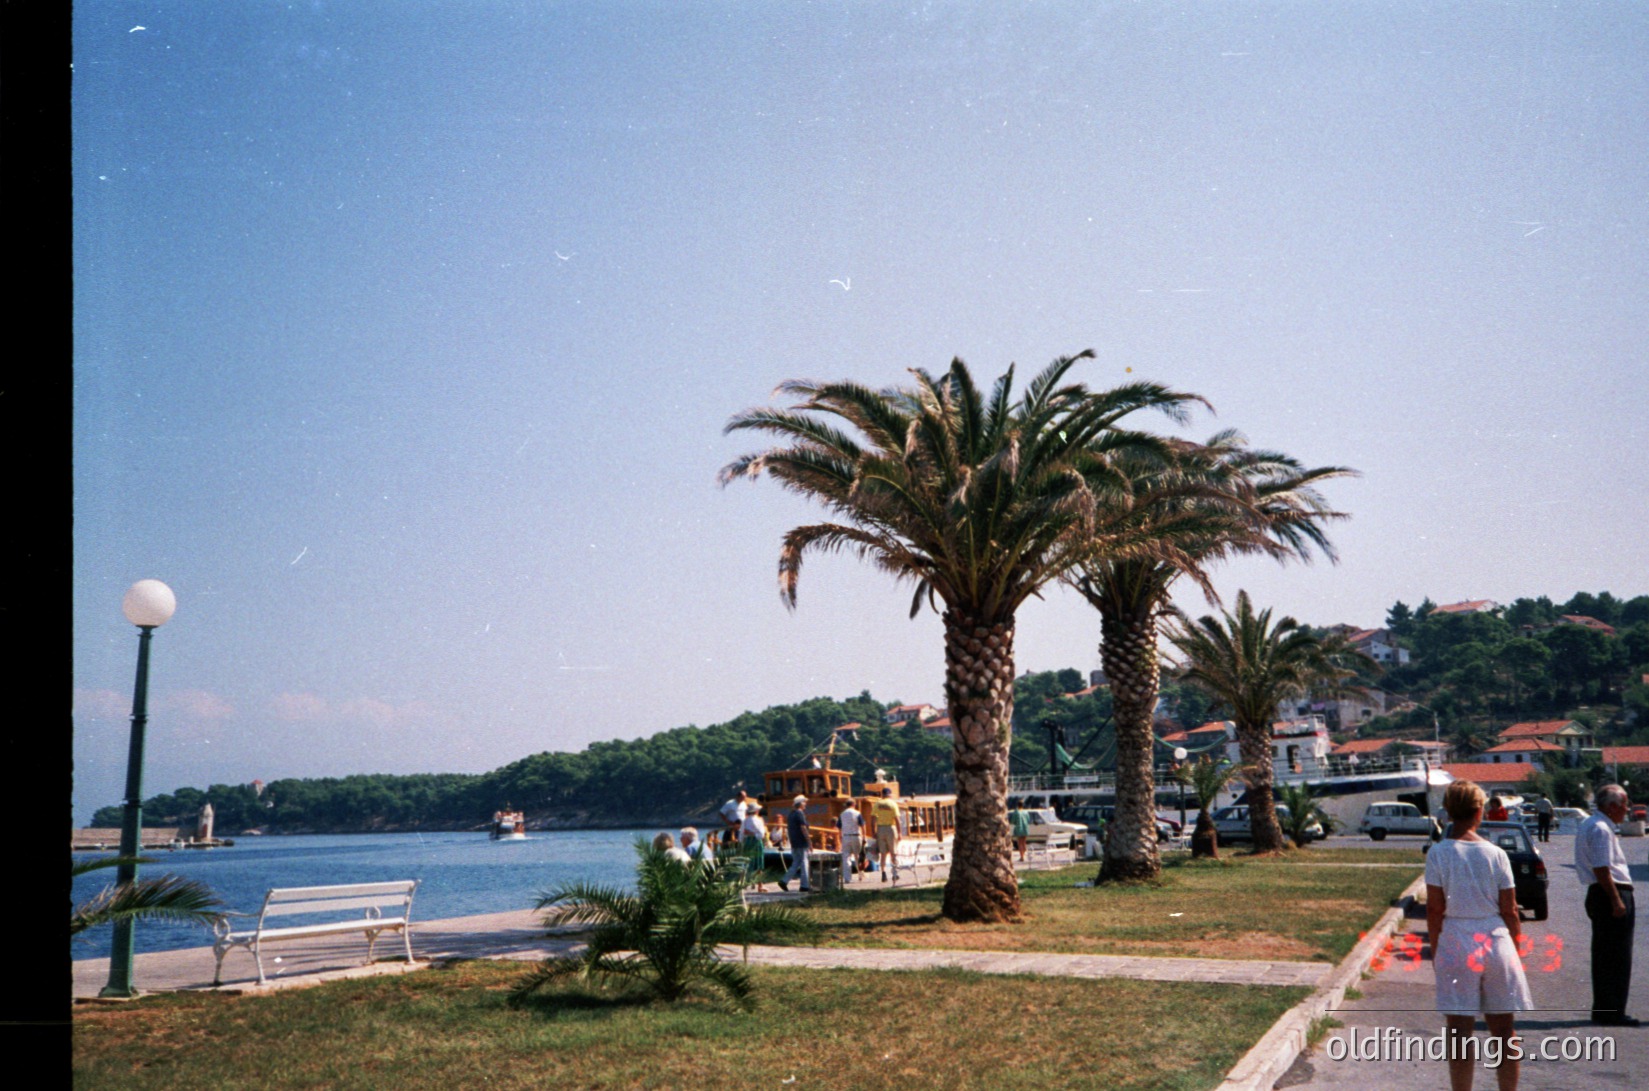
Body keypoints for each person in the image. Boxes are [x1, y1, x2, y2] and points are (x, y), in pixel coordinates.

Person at [1425, 779, 1532, 1091]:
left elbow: (1434, 910)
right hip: (1496, 938)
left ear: (1449, 811)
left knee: (1459, 1031)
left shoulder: (1438, 854)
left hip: (1456, 939)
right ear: (1478, 811)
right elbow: (1510, 909)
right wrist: (1515, 948)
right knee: (1503, 1030)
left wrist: (1436, 950)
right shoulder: (1496, 854)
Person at [1576, 784, 1638, 1026]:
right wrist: (1616, 899)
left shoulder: (1591, 824)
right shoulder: (1601, 829)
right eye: (1624, 804)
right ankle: (1612, 1011)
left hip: (1598, 893)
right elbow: (1602, 868)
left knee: (1604, 955)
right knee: (1617, 956)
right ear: (1611, 806)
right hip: (1610, 892)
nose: (1627, 809)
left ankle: (1604, 1008)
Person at [780, 795, 812, 892]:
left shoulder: (791, 814)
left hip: (794, 842)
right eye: (804, 802)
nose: (805, 804)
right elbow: (803, 828)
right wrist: (809, 841)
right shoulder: (799, 813)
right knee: (804, 863)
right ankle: (804, 885)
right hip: (802, 842)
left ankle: (784, 880)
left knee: (796, 862)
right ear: (800, 803)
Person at [871, 787, 902, 883]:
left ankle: (883, 873)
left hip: (880, 828)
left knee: (883, 853)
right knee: (893, 852)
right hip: (890, 828)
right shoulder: (893, 804)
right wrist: (899, 832)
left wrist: (873, 832)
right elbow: (897, 820)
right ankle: (895, 873)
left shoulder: (877, 804)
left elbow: (873, 820)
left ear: (882, 795)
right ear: (890, 794)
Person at [740, 803, 770, 892]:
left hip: (748, 842)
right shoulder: (759, 820)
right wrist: (754, 833)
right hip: (756, 842)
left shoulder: (745, 821)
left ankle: (743, 883)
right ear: (756, 811)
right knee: (759, 864)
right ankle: (760, 885)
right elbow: (761, 834)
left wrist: (746, 836)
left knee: (746, 862)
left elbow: (741, 834)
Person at [838, 799, 864, 880]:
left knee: (846, 857)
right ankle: (860, 874)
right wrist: (864, 836)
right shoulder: (857, 813)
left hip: (846, 836)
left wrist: (840, 836)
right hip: (856, 835)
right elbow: (862, 825)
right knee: (858, 856)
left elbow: (839, 826)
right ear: (854, 804)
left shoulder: (842, 814)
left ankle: (847, 878)